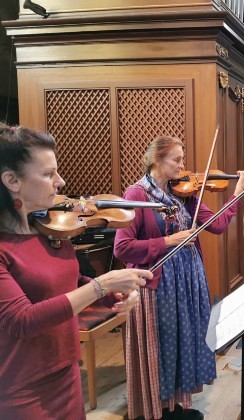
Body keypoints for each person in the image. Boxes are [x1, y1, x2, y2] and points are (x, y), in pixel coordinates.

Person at [0, 124, 149, 419]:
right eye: (48, 174)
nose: (61, 181)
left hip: (67, 374)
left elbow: (67, 282)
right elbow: (21, 320)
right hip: (22, 389)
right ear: (12, 181)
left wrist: (112, 294)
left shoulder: (49, 230)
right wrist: (100, 286)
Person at [113, 136, 244, 420]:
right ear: (156, 159)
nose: (182, 166)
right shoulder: (136, 194)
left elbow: (218, 225)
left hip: (188, 280)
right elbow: (122, 248)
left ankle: (175, 404)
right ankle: (157, 408)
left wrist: (238, 191)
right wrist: (168, 241)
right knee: (163, 347)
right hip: (158, 284)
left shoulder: (183, 194)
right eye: (176, 159)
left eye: (182, 159)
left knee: (183, 343)